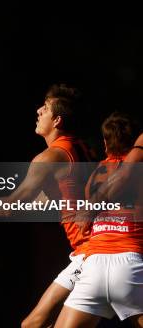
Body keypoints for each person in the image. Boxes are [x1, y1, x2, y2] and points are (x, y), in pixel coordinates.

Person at [0, 84, 92, 328]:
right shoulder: (82, 148)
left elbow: (11, 207)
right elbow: (48, 200)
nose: (38, 111)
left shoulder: (49, 158)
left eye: (45, 108)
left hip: (92, 252)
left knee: (33, 324)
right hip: (94, 248)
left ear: (57, 120)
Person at [55, 113, 143, 327]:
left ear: (105, 144)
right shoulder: (135, 168)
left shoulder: (95, 175)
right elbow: (123, 177)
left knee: (33, 322)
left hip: (93, 264)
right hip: (129, 261)